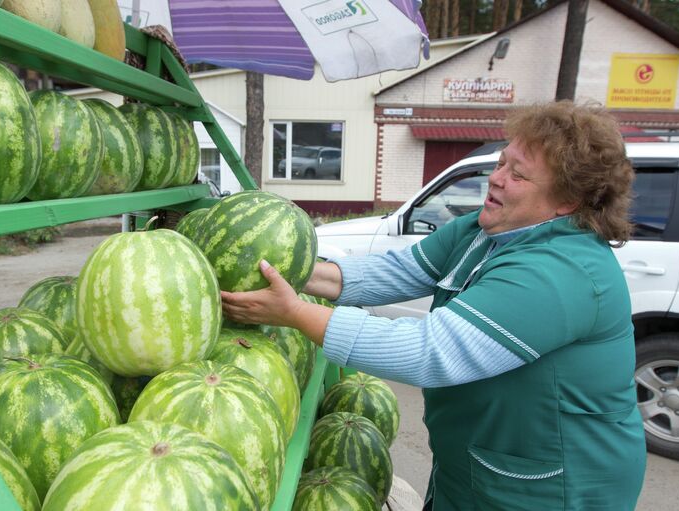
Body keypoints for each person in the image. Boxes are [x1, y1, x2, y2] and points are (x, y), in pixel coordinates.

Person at [221, 101, 647, 510]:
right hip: (479, 461)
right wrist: (294, 270)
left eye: (518, 175)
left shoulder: (563, 272)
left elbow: (432, 351)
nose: (496, 178)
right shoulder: (488, 230)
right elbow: (399, 271)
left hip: (549, 488)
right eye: (501, 162)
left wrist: (295, 313)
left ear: (567, 201)